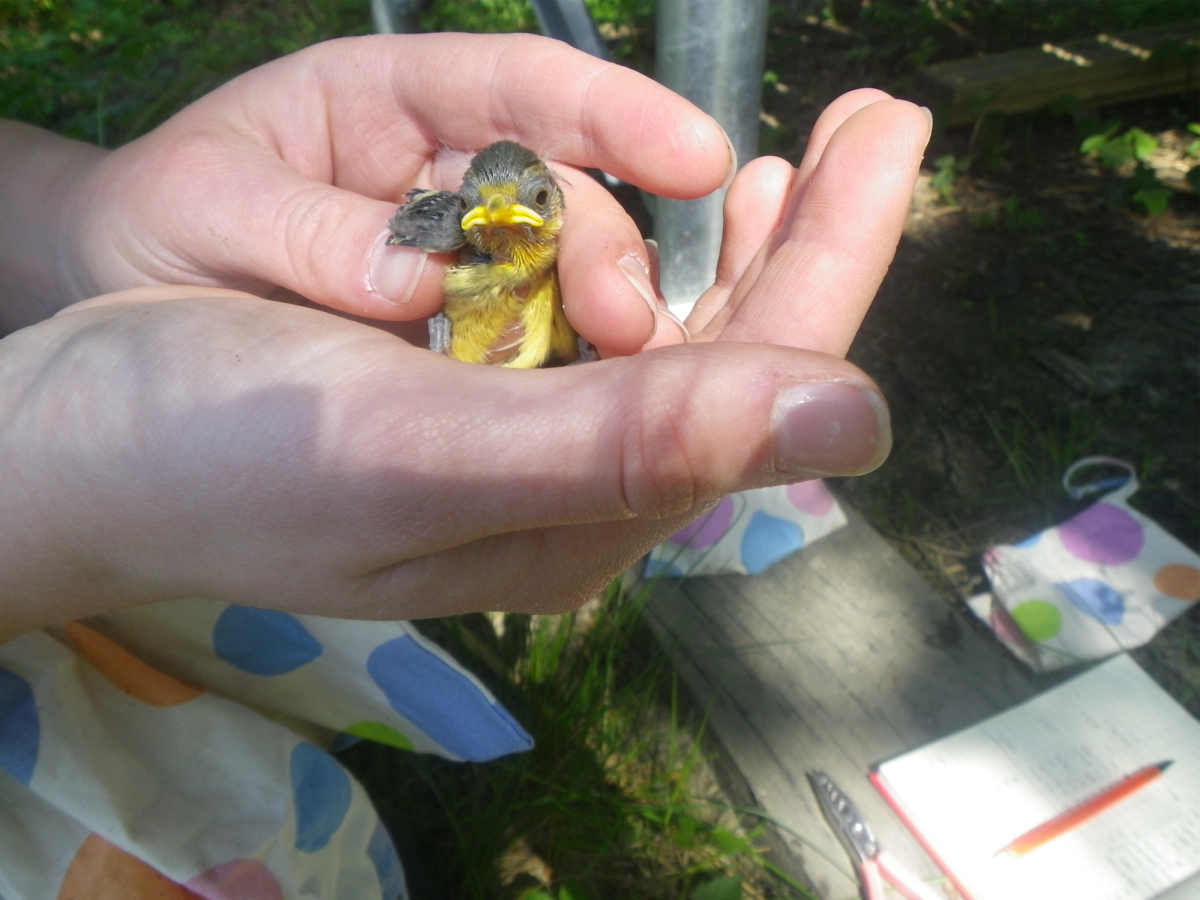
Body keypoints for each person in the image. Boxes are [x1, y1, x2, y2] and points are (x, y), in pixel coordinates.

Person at [0, 32, 930, 899]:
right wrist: (46, 471)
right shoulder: (458, 259)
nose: (496, 222)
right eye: (486, 212)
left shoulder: (518, 254)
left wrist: (76, 221)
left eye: (528, 209)